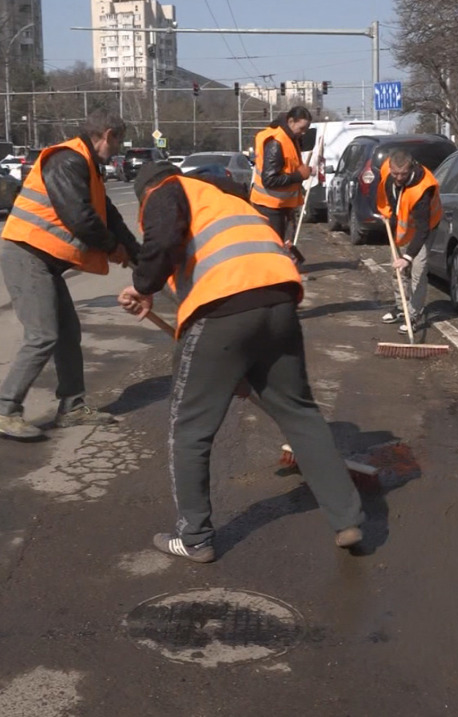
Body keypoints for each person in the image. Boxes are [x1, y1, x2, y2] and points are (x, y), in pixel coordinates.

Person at [117, 161, 365, 563]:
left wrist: (143, 286)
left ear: (147, 190)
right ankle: (348, 520)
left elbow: (162, 243)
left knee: (190, 429)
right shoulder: (227, 198)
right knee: (300, 414)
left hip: (224, 311)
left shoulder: (166, 190)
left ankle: (194, 536)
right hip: (279, 301)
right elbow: (213, 262)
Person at [0, 112, 140, 439]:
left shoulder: (87, 164)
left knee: (67, 334)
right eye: (118, 142)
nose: (118, 150)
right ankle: (5, 409)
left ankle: (72, 407)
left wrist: (136, 253)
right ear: (108, 134)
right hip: (27, 256)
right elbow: (80, 219)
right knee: (43, 335)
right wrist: (113, 248)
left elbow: (106, 213)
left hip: (45, 262)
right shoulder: (67, 160)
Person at [377, 150, 442, 336]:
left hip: (426, 226)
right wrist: (389, 218)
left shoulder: (424, 189)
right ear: (390, 168)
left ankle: (413, 316)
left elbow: (423, 229)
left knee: (417, 270)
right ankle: (401, 308)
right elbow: (391, 200)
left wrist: (407, 256)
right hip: (405, 224)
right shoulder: (389, 176)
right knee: (397, 268)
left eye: (403, 174)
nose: (398, 178)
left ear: (411, 167)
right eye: (395, 173)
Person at [250, 106, 313, 263]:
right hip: (269, 205)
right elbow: (269, 180)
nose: (304, 132)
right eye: (302, 128)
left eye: (307, 129)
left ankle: (278, 273)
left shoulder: (291, 138)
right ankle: (273, 279)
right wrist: (298, 175)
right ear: (291, 121)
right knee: (272, 249)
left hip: (281, 205)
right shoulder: (276, 143)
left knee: (280, 247)